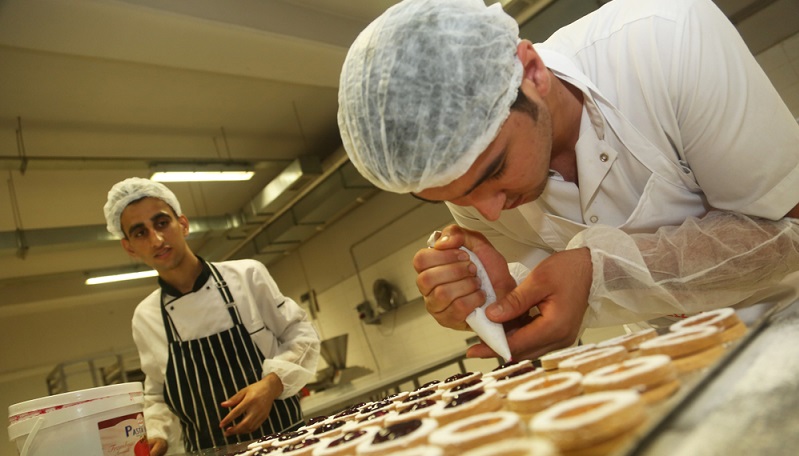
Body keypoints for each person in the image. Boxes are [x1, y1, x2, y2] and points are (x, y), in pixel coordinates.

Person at [337, 0, 799, 361]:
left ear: (532, 72)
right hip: (672, 359)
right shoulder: (476, 186)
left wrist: (601, 270)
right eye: (460, 198)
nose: (491, 211)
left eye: (495, 171)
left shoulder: (664, 39)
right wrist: (500, 307)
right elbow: (554, 299)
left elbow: (792, 225)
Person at [103, 178, 320, 455]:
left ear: (182, 224)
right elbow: (158, 394)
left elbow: (302, 335)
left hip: (287, 445)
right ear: (129, 247)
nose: (156, 239)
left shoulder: (247, 277)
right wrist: (157, 433)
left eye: (161, 223)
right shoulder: (146, 317)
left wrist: (272, 384)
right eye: (140, 232)